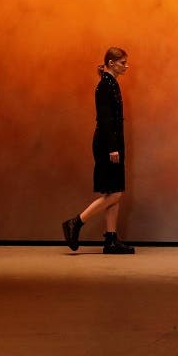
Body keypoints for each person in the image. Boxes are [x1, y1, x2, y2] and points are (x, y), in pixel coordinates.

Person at [62, 48, 136, 255]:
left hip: (112, 143)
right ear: (111, 63)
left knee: (114, 191)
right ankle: (75, 222)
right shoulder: (105, 85)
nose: (126, 66)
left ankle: (110, 239)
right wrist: (112, 147)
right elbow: (104, 119)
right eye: (122, 62)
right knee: (115, 193)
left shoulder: (112, 83)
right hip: (107, 145)